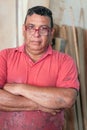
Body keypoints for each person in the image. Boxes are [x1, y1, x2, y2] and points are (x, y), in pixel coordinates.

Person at [0, 6, 79, 130]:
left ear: (51, 32)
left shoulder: (64, 61)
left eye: (43, 29)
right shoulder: (5, 56)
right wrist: (39, 105)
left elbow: (67, 99)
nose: (36, 34)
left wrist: (18, 88)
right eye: (31, 27)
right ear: (24, 30)